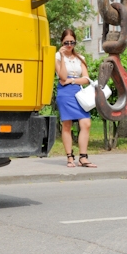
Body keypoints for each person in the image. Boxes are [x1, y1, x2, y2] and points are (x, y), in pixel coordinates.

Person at [54, 29, 96, 168]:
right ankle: (69, 157)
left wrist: (72, 81)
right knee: (67, 125)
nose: (70, 45)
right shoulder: (57, 57)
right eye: (67, 42)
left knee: (86, 123)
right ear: (62, 42)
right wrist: (62, 55)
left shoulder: (80, 58)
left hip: (78, 92)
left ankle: (83, 157)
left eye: (72, 42)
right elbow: (63, 77)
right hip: (65, 94)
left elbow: (86, 79)